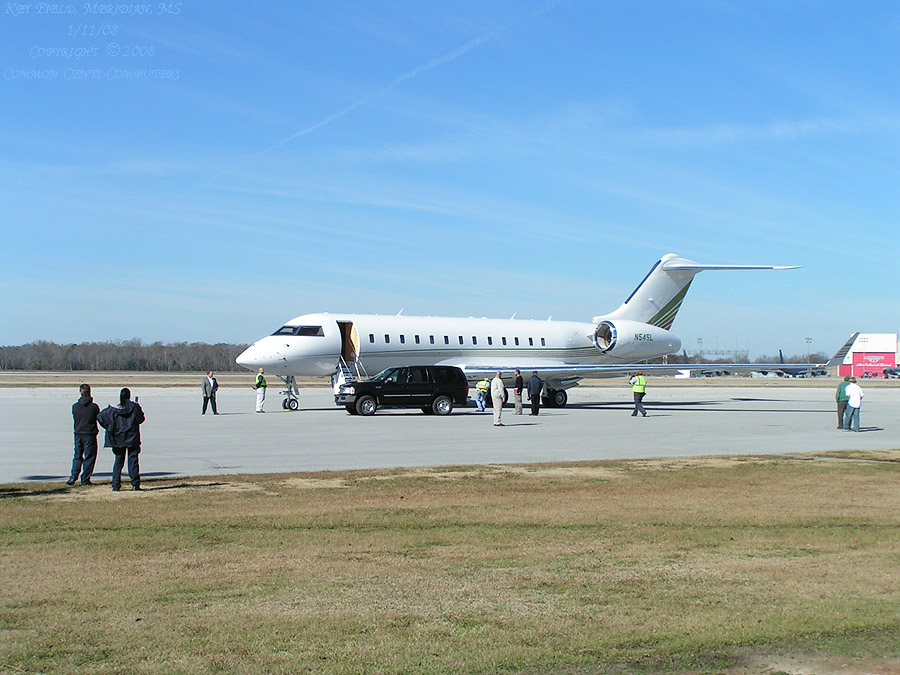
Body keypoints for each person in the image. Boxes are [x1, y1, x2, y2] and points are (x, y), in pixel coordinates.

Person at [98, 388, 146, 491]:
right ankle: (135, 484)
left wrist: (109, 427)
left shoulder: (112, 409)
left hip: (117, 438)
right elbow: (141, 419)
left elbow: (100, 417)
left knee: (118, 462)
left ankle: (116, 485)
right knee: (132, 461)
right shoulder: (134, 407)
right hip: (132, 438)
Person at [67, 383, 100, 486]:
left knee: (77, 456)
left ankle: (73, 476)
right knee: (89, 457)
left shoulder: (75, 407)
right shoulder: (94, 407)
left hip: (78, 434)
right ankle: (85, 478)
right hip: (89, 435)